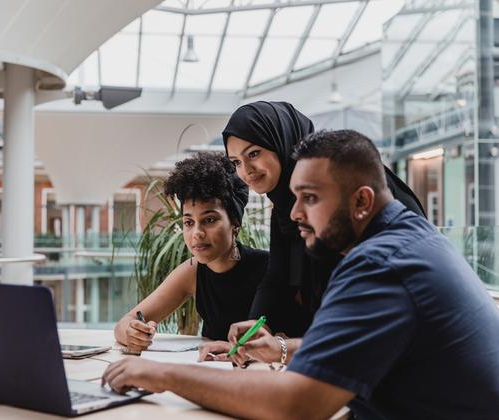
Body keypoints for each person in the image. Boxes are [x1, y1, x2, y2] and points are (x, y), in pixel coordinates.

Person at [102, 130, 499, 419]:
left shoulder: (380, 264)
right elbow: (362, 344)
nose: (294, 214)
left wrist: (164, 373)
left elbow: (295, 403)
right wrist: (282, 348)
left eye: (309, 198)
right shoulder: (410, 241)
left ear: (362, 200)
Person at [201, 101, 425, 362]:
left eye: (253, 154)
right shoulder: (287, 206)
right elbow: (277, 278)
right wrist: (252, 339)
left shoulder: (347, 189)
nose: (245, 171)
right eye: (236, 162)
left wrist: (283, 349)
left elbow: (364, 320)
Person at [114, 152, 268, 352]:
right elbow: (124, 324)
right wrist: (133, 333)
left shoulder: (269, 268)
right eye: (188, 222)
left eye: (210, 220)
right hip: (210, 372)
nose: (197, 233)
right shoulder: (192, 271)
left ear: (235, 223)